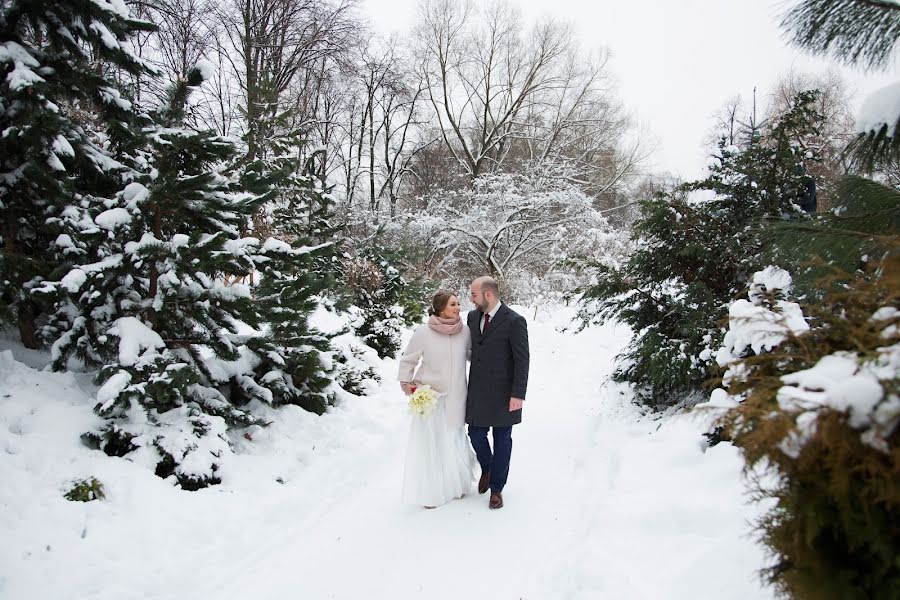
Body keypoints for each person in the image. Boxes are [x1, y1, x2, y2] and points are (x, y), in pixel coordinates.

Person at [398, 290, 477, 508]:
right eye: (453, 304)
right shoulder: (423, 332)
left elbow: (474, 356)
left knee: (453, 440)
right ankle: (431, 493)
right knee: (434, 443)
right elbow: (409, 359)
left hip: (457, 395)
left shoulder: (465, 331)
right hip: (431, 396)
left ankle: (456, 485)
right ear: (440, 307)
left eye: (458, 303)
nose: (458, 307)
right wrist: (407, 383)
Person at [466, 276, 529, 510]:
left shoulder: (515, 321)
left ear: (488, 295)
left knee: (502, 440)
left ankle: (497, 489)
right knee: (475, 434)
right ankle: (488, 466)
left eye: (474, 294)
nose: (471, 299)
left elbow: (522, 361)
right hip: (478, 391)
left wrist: (518, 394)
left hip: (505, 393)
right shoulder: (472, 317)